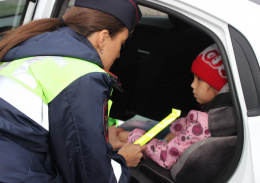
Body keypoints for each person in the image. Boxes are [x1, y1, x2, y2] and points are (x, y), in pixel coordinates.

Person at [0, 0, 147, 182]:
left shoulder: (36, 49)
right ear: (103, 38)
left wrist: (102, 135)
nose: (118, 54)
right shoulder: (82, 75)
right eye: (122, 44)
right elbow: (93, 177)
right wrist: (123, 160)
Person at [117, 44, 228, 169]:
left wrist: (133, 137)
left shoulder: (201, 125)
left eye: (199, 80)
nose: (192, 84)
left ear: (217, 87)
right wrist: (175, 130)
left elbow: (165, 157)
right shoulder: (216, 115)